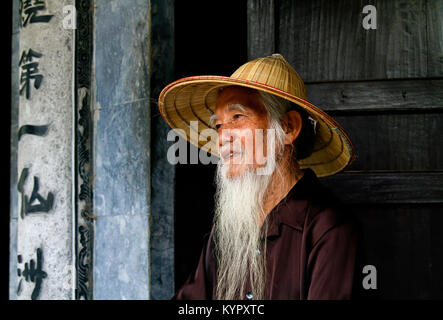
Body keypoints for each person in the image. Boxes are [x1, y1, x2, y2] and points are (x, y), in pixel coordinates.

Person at [158, 54, 359, 300]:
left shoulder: (327, 229)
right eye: (219, 125)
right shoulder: (227, 230)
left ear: (288, 128)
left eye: (237, 117)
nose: (222, 138)